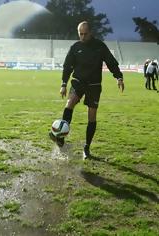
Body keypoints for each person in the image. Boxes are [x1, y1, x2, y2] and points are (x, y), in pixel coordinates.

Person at [49, 21, 124, 159]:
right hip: (78, 82)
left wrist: (118, 77)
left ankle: (87, 148)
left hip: (94, 85)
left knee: (92, 116)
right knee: (69, 103)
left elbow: (111, 62)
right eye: (80, 34)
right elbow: (67, 66)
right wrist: (64, 84)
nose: (82, 37)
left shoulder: (100, 46)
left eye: (85, 34)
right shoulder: (75, 47)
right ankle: (60, 136)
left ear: (91, 32)